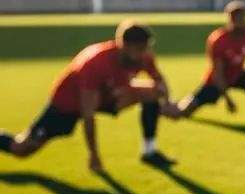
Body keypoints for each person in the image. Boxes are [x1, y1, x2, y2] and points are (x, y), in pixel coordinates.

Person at [0, 21, 179, 173]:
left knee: (152, 92)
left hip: (107, 95)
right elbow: (88, 114)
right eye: (139, 49)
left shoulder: (143, 57)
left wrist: (168, 102)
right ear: (123, 46)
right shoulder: (95, 63)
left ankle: (149, 151)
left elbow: (159, 80)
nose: (143, 54)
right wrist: (94, 155)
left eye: (145, 49)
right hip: (68, 104)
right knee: (22, 149)